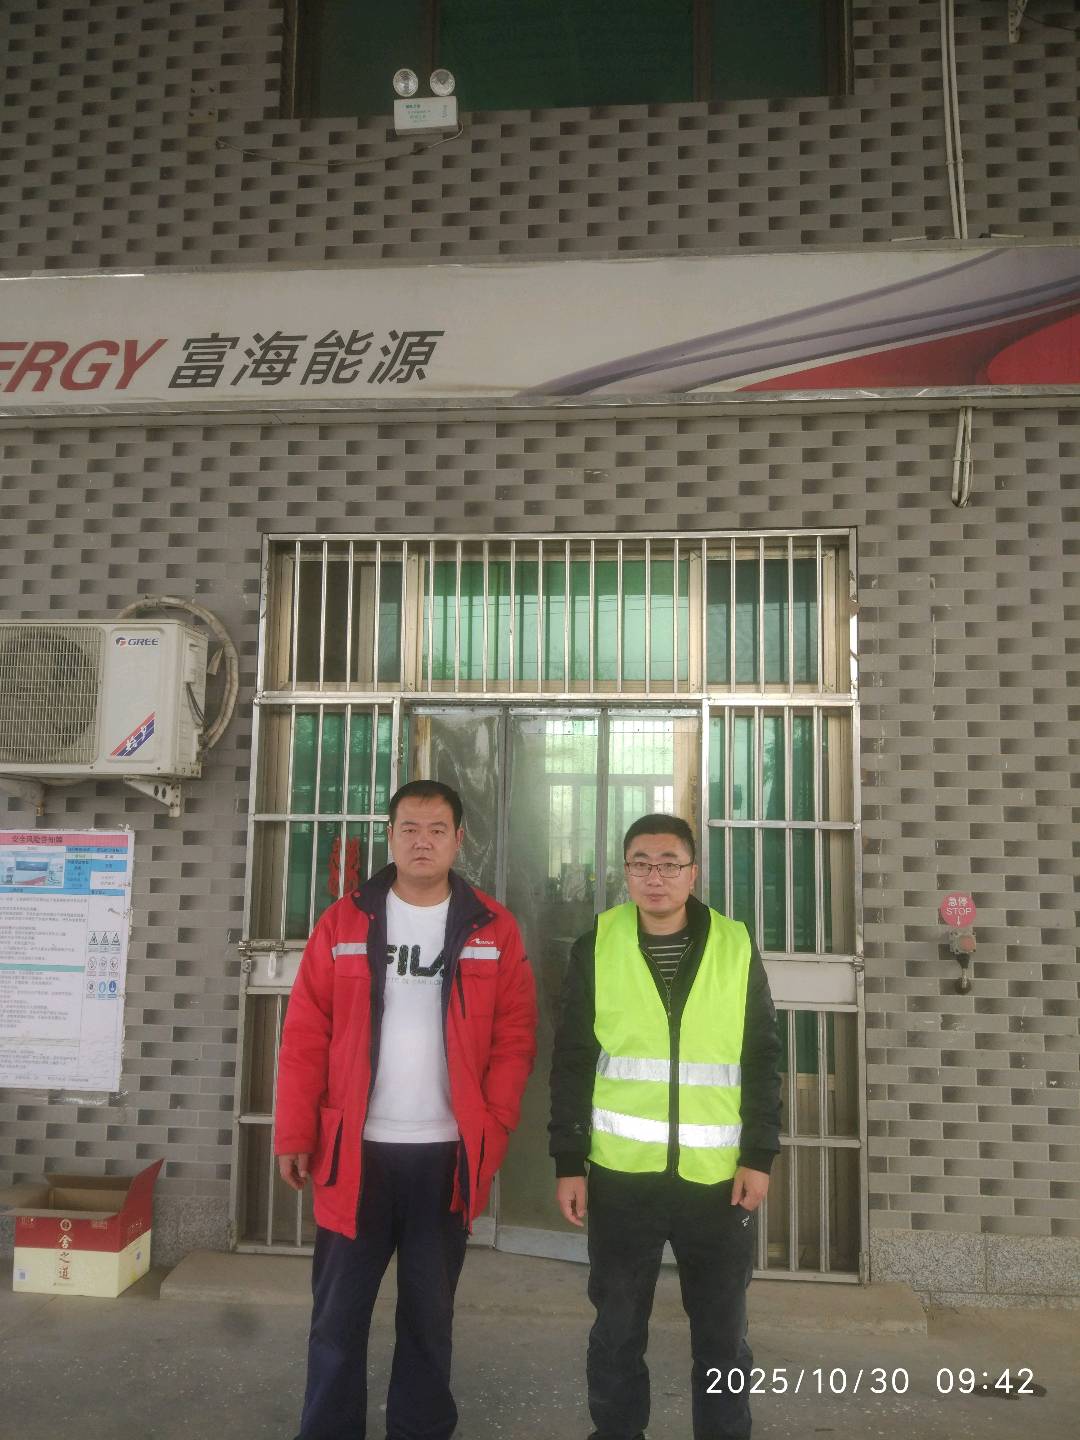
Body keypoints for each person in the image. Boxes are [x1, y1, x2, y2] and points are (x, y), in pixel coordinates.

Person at [275, 779, 538, 1440]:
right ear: (390, 836)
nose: (423, 841)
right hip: (354, 1154)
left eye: (437, 829)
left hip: (445, 1156)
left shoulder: (493, 928)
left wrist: (494, 1127)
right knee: (338, 1316)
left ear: (459, 839)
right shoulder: (344, 922)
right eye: (410, 829)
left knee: (428, 1316)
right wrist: (294, 1131)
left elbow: (515, 1038)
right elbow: (304, 1034)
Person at [549, 813, 782, 1440]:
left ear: (692, 872)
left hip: (718, 1181)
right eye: (642, 864)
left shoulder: (735, 945)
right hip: (622, 1179)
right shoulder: (596, 945)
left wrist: (759, 1154)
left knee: (723, 1337)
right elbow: (572, 1060)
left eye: (669, 864)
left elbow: (762, 1057)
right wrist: (569, 1160)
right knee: (617, 1332)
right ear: (626, 872)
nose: (656, 877)